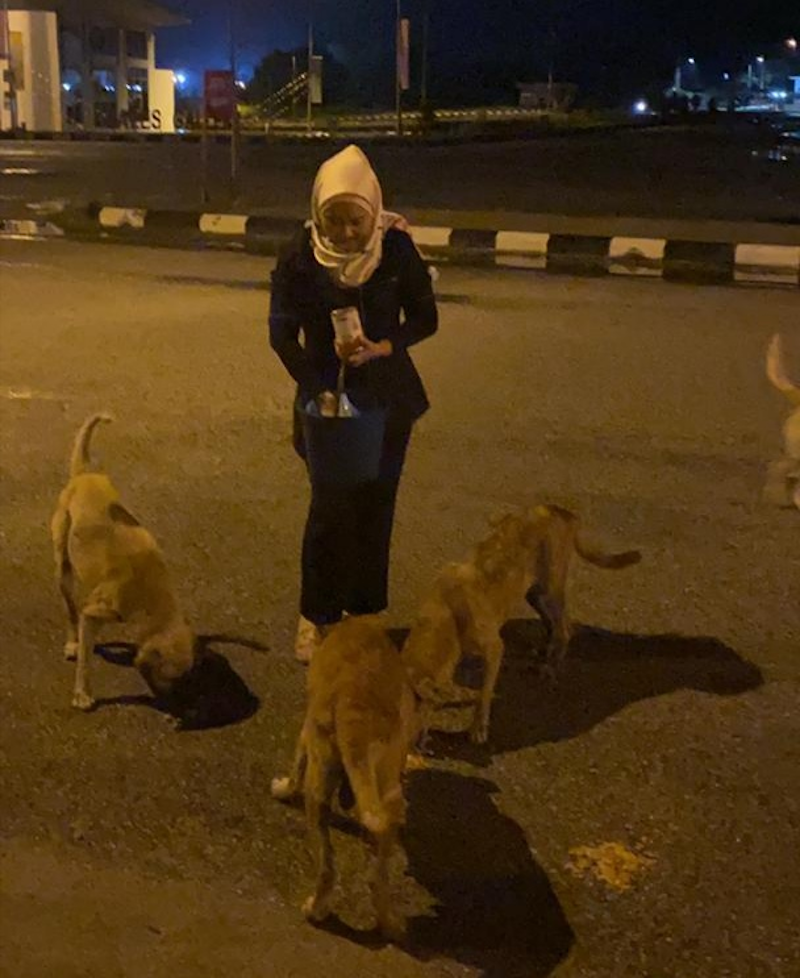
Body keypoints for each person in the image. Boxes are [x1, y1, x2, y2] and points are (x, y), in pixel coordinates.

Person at [269, 144, 438, 662]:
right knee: (329, 510)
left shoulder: (396, 252)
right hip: (326, 407)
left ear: (373, 212)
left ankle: (364, 613)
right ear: (318, 214)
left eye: (356, 221)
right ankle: (316, 616)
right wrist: (316, 385)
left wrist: (387, 346)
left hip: (388, 401)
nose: (345, 233)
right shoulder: (300, 257)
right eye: (334, 220)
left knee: (375, 508)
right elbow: (281, 335)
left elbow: (426, 319)